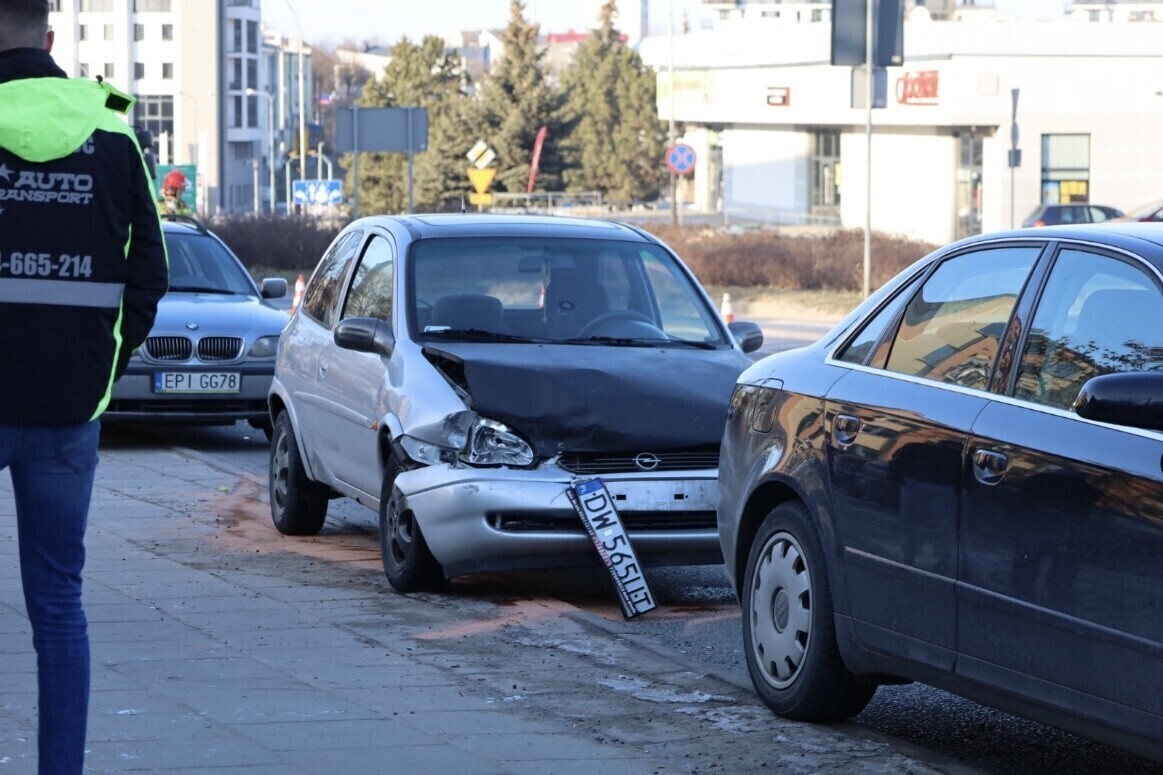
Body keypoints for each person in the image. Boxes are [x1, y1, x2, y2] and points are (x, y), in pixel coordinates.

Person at [0, 2, 169, 772]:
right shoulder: (113, 135)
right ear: (50, 37)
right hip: (69, 406)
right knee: (59, 608)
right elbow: (149, 274)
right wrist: (100, 366)